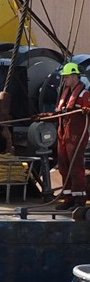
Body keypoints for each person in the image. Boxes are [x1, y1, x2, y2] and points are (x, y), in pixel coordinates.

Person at [57, 62, 90, 205]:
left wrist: (87, 110)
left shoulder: (84, 94)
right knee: (63, 165)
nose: (64, 80)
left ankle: (79, 198)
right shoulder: (65, 95)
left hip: (76, 136)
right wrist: (42, 116)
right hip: (63, 135)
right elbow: (58, 113)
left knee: (75, 166)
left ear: (74, 76)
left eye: (66, 77)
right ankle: (68, 197)